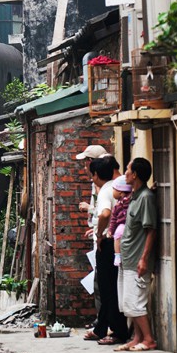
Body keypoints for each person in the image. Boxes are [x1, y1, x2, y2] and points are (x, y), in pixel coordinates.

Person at [114, 157, 157, 352]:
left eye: (128, 170)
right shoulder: (136, 196)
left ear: (135, 174)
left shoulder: (145, 198)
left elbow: (151, 230)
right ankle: (137, 337)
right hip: (127, 258)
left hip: (137, 260)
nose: (125, 174)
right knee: (127, 303)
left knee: (135, 302)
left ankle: (148, 339)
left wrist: (144, 258)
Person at [87, 158, 129, 345]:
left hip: (109, 243)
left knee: (107, 289)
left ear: (96, 175)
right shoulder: (119, 185)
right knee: (111, 287)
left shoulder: (105, 191)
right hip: (122, 242)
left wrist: (99, 234)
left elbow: (105, 213)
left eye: (92, 175)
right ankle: (101, 328)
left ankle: (119, 331)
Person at [75, 144, 107, 336]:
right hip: (98, 234)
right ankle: (99, 319)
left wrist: (89, 208)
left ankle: (102, 322)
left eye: (87, 161)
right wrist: (93, 229)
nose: (85, 165)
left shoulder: (103, 186)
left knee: (101, 282)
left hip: (104, 238)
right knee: (97, 280)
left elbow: (105, 212)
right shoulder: (95, 183)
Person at [107, 175, 132, 267]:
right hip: (122, 224)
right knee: (117, 234)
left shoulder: (130, 199)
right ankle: (118, 254)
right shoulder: (117, 205)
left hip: (129, 224)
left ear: (120, 192)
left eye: (114, 189)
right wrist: (111, 230)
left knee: (118, 233)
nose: (112, 191)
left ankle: (118, 255)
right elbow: (113, 219)